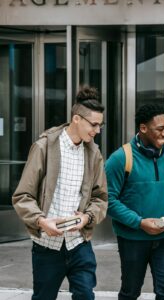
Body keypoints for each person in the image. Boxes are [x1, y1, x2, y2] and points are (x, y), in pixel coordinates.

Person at [12, 85, 108, 300]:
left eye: (100, 125)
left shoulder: (93, 153)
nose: (97, 131)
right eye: (93, 125)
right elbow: (22, 196)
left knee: (85, 295)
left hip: (79, 243)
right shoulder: (44, 147)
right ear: (76, 119)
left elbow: (100, 197)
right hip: (47, 246)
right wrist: (41, 221)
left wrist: (87, 217)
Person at [105, 104, 164, 300]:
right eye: (160, 129)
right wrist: (140, 222)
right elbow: (108, 200)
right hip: (133, 239)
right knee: (130, 292)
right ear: (143, 128)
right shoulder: (120, 158)